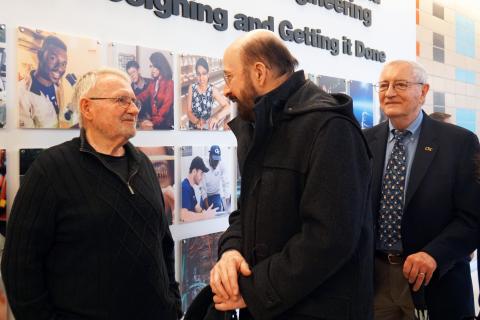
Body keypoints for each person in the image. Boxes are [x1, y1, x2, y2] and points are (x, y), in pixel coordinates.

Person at [208, 30, 373, 319]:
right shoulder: (262, 127)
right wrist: (231, 251)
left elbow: (330, 238)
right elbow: (247, 211)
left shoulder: (330, 128)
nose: (225, 90)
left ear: (259, 72)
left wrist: (254, 290)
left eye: (229, 76)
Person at [2, 68, 182, 319]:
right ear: (87, 108)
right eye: (122, 100)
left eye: (134, 101)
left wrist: (173, 301)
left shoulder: (143, 164)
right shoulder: (51, 169)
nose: (134, 109)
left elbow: (163, 242)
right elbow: (20, 267)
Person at [364, 60, 479, 320]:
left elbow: (472, 218)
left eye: (400, 84)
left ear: (423, 92)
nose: (389, 92)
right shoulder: (363, 141)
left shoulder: (459, 143)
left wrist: (434, 254)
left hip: (436, 280)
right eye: (384, 85)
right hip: (374, 280)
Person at [18, 35, 68, 128]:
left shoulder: (58, 87)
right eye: (53, 58)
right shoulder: (21, 93)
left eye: (64, 63)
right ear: (40, 56)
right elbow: (27, 138)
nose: (60, 68)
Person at [186, 58, 230, 130]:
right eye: (198, 74)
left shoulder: (212, 90)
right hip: (193, 127)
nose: (201, 78)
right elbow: (189, 111)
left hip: (207, 128)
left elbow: (227, 107)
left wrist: (217, 117)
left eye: (204, 73)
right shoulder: (192, 88)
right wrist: (197, 122)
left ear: (208, 74)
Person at [137, 51, 174, 130]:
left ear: (160, 66)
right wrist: (130, 97)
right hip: (155, 122)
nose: (152, 69)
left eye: (155, 66)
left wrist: (153, 122)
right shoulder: (153, 83)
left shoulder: (169, 83)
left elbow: (165, 107)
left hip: (165, 125)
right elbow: (143, 95)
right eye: (151, 66)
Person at [181, 156, 217, 222]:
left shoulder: (190, 188)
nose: (202, 177)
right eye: (201, 173)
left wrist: (206, 212)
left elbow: (196, 207)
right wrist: (205, 215)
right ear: (194, 171)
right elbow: (184, 216)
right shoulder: (185, 188)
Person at [201, 145, 230, 213]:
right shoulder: (203, 165)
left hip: (216, 194)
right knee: (203, 215)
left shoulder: (221, 164)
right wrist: (208, 209)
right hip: (205, 196)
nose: (216, 163)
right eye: (214, 160)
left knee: (218, 213)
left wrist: (228, 206)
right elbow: (203, 188)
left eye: (217, 160)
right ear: (210, 156)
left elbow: (226, 184)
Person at [125, 60, 151, 124]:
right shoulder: (129, 89)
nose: (132, 75)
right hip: (140, 123)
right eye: (129, 74)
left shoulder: (151, 82)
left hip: (155, 121)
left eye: (133, 72)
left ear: (138, 70)